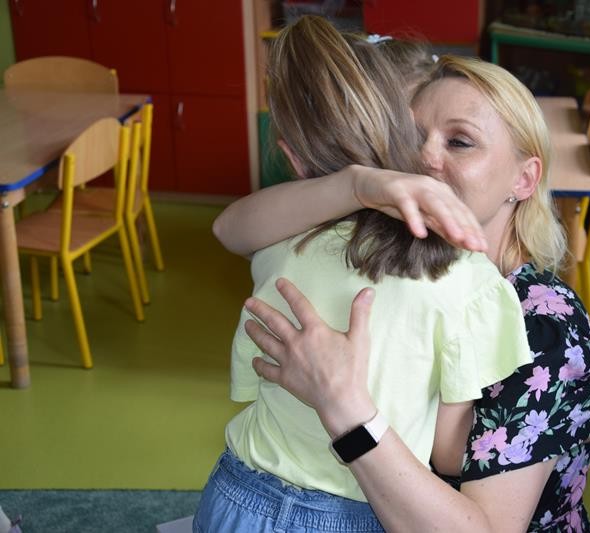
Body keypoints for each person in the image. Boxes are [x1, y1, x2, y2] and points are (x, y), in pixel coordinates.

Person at [217, 52, 590, 532]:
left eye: (459, 142)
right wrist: (356, 184)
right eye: (413, 137)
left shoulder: (541, 327)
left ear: (523, 179)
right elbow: (231, 230)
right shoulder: (399, 254)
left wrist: (344, 406)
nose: (425, 158)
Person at [194, 17, 534, 532]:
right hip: (356, 512)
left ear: (292, 159)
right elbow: (449, 453)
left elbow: (228, 227)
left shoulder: (279, 237)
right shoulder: (472, 281)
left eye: (458, 141)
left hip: (238, 494)